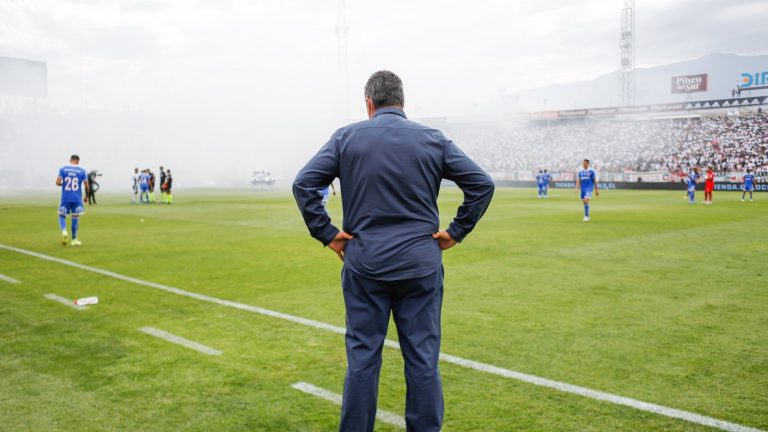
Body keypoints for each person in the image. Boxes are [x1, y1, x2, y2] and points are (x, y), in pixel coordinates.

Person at [293, 70, 494, 432]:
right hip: (420, 264)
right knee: (422, 360)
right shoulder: (432, 138)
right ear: (402, 103)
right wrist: (455, 232)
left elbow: (303, 184)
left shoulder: (346, 138)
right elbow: (482, 184)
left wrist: (329, 234)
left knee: (363, 361)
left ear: (369, 104)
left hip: (365, 263)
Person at [56, 155, 89, 246]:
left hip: (65, 198)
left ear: (70, 160)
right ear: (78, 161)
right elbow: (86, 185)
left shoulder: (63, 169)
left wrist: (63, 184)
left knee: (61, 215)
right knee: (75, 217)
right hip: (77, 198)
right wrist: (86, 196)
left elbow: (58, 182)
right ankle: (74, 239)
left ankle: (64, 231)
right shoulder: (82, 171)